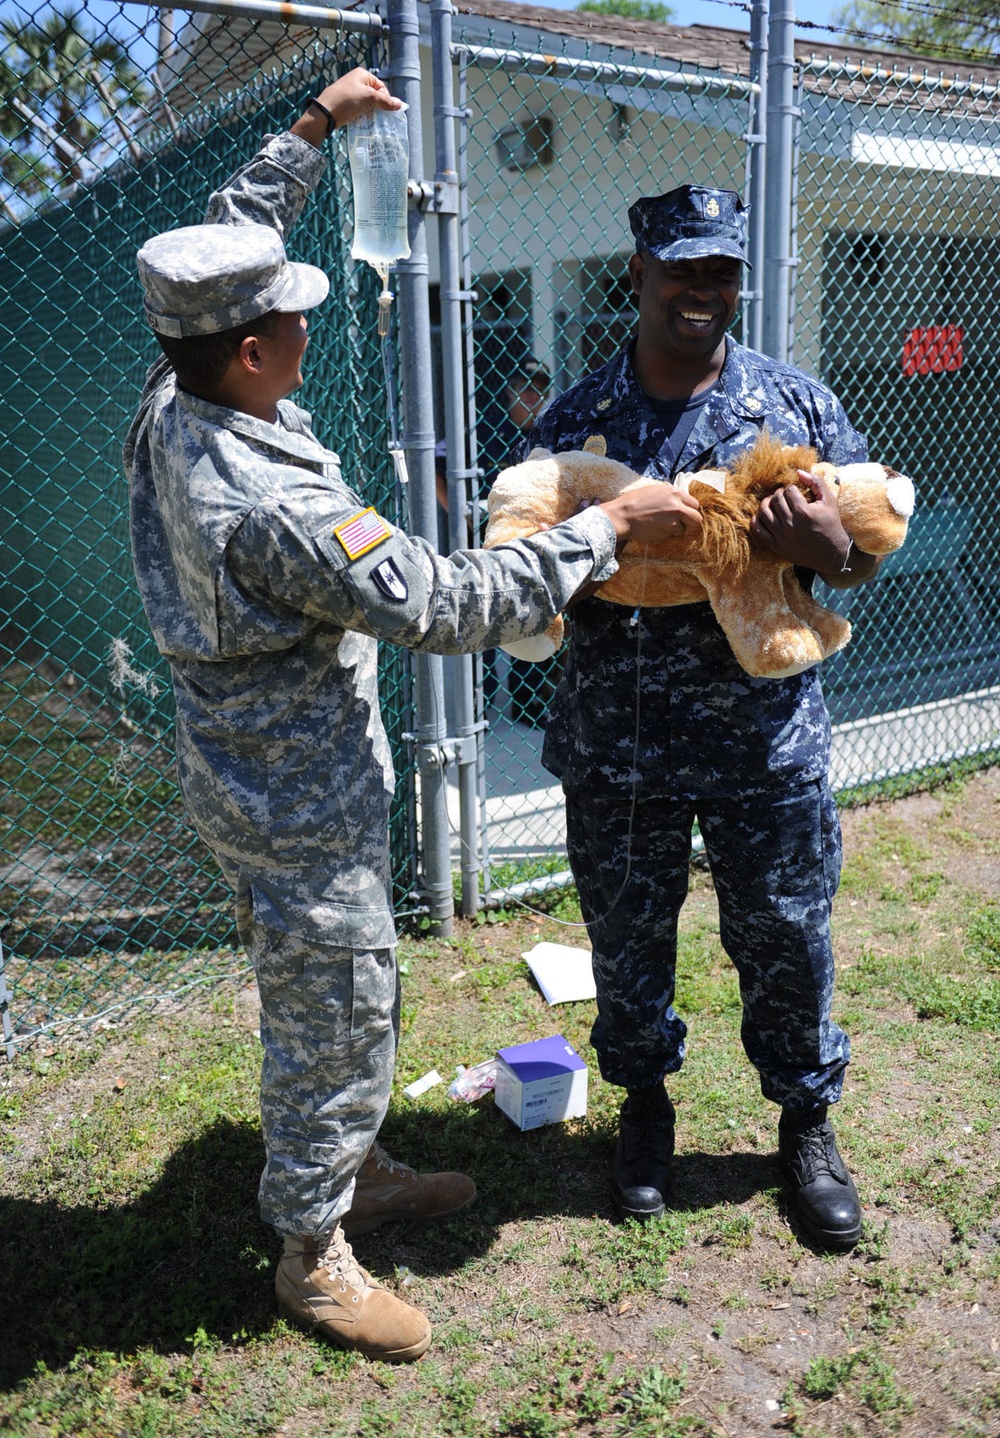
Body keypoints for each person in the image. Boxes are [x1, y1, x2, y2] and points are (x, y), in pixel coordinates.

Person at [123, 70, 704, 1365]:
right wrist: (608, 524)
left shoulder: (180, 387)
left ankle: (352, 1158)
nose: (309, 328)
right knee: (339, 997)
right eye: (293, 317)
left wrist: (313, 129)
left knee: (313, 993)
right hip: (297, 792)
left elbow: (231, 223)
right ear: (255, 352)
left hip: (241, 764)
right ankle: (314, 1247)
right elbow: (451, 601)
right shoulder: (269, 502)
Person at [526, 183, 881, 1251]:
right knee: (627, 939)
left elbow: (863, 553)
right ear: (636, 274)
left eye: (720, 270)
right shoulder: (576, 420)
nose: (701, 290)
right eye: (681, 268)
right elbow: (526, 571)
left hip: (763, 740)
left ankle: (804, 1122)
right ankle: (644, 1110)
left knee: (783, 936)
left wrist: (825, 548)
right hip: (616, 738)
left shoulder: (798, 406)